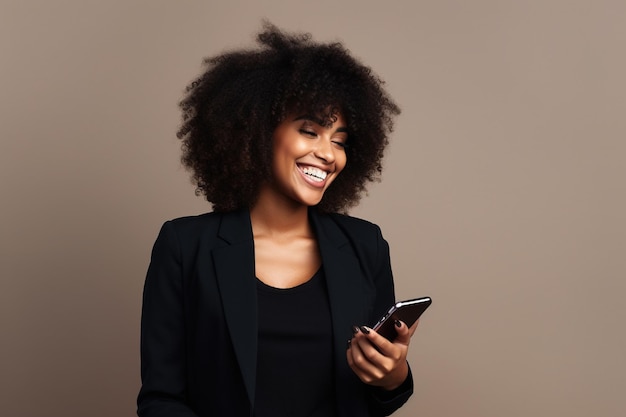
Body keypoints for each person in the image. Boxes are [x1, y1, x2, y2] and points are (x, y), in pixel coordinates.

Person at [137, 22, 420, 417]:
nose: (329, 154)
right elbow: (161, 399)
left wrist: (392, 374)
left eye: (340, 140)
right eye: (310, 131)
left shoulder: (365, 247)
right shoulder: (185, 247)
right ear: (256, 131)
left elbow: (376, 399)